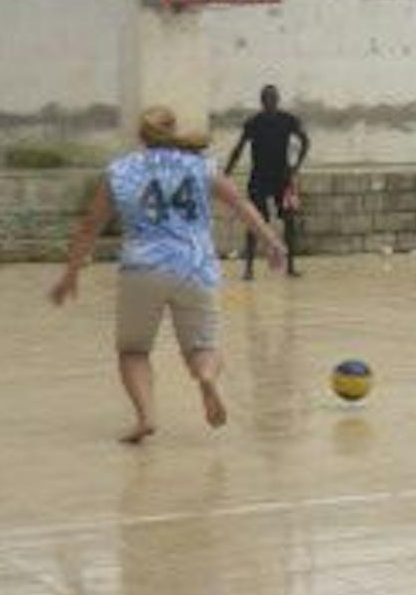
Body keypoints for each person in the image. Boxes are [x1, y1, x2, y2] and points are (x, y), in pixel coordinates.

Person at [51, 106, 285, 443]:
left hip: (141, 269)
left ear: (141, 137)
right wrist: (271, 241)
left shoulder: (122, 170)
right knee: (203, 348)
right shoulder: (201, 167)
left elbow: (89, 226)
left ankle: (146, 418)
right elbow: (241, 204)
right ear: (174, 130)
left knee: (133, 351)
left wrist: (70, 275)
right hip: (195, 267)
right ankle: (206, 378)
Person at [224, 84, 308, 280]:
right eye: (267, 98)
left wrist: (296, 167)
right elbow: (239, 148)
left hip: (282, 178)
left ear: (277, 100)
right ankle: (249, 269)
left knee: (288, 220)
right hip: (259, 178)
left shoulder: (288, 120)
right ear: (262, 101)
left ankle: (290, 266)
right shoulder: (253, 122)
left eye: (273, 98)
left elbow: (305, 141)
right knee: (254, 221)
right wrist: (226, 173)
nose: (270, 101)